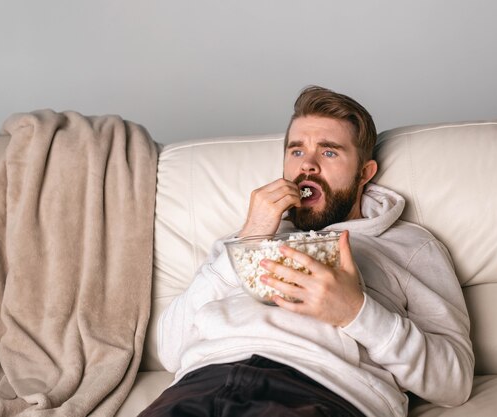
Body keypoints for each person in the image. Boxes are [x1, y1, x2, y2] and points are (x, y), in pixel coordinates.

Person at [139, 86, 474, 417]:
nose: (308, 166)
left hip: (320, 390)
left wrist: (355, 311)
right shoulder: (242, 237)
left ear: (364, 173)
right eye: (296, 151)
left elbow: (453, 383)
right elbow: (170, 350)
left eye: (329, 152)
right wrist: (250, 238)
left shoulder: (409, 246)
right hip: (201, 386)